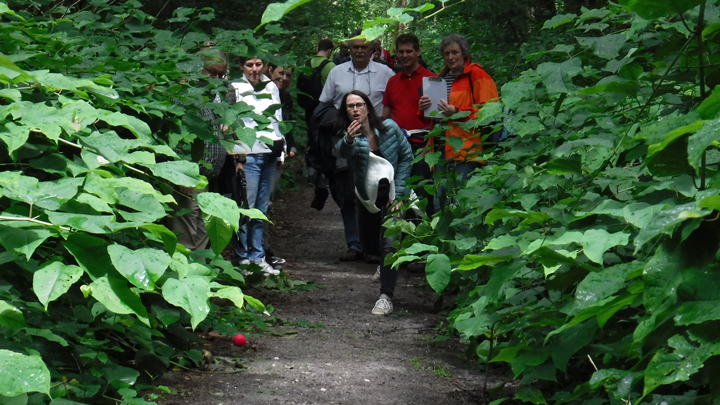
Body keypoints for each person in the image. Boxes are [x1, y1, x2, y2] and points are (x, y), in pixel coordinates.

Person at [319, 29, 395, 262]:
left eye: (364, 47)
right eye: (355, 47)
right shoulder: (336, 72)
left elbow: (393, 104)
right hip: (345, 138)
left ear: (373, 49)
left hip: (376, 138)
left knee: (379, 190)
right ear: (348, 49)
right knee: (347, 192)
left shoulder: (386, 73)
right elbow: (324, 104)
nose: (360, 51)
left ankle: (378, 245)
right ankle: (355, 244)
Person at [335, 90, 413, 315]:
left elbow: (407, 157)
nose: (356, 109)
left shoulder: (390, 128)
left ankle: (386, 296)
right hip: (367, 195)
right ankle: (386, 263)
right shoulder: (350, 134)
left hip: (395, 193)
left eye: (359, 104)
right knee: (371, 247)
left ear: (368, 107)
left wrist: (399, 194)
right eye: (350, 106)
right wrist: (349, 138)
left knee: (390, 242)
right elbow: (342, 150)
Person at [418, 34, 498, 199]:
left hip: (466, 151)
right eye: (446, 54)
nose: (450, 57)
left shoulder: (477, 75)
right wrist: (423, 108)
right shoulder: (440, 77)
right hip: (440, 150)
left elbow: (491, 112)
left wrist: (457, 111)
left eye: (455, 52)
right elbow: (432, 116)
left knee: (463, 204)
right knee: (441, 204)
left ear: (464, 53)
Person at [168, 46, 229, 251]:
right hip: (189, 180)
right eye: (211, 72)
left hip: (206, 180)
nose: (216, 78)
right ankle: (183, 278)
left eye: (221, 74)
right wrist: (184, 175)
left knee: (203, 234)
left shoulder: (211, 99)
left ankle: (203, 277)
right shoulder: (186, 95)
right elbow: (179, 137)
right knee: (186, 235)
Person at [229, 56, 284, 276]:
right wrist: (237, 156)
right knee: (245, 206)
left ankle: (257, 256)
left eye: (258, 65)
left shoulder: (270, 86)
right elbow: (232, 122)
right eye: (249, 65)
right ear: (241, 66)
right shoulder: (235, 87)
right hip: (248, 153)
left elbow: (277, 117)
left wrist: (282, 149)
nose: (254, 69)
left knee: (261, 209)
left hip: (269, 150)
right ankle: (242, 258)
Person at [381, 33, 437, 215]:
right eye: (401, 52)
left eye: (409, 51)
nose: (405, 56)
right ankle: (397, 239)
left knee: (421, 196)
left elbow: (438, 120)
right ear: (395, 53)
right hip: (397, 146)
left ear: (418, 52)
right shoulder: (392, 81)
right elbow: (386, 115)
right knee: (396, 195)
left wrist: (430, 146)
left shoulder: (431, 79)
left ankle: (423, 237)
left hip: (422, 146)